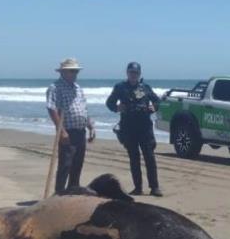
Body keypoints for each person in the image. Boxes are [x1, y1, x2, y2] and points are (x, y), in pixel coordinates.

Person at [106, 62, 162, 196]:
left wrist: (153, 107)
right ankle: (138, 187)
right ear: (127, 73)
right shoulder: (120, 87)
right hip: (128, 127)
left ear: (139, 74)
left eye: (136, 73)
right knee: (134, 158)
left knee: (149, 157)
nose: (133, 75)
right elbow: (109, 103)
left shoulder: (145, 87)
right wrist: (117, 107)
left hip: (145, 127)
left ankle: (154, 187)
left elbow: (157, 101)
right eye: (131, 72)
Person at [46, 58, 95, 194]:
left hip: (80, 131)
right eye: (72, 71)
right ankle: (59, 194)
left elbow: (83, 109)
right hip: (67, 131)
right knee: (65, 165)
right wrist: (61, 131)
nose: (74, 74)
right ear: (63, 72)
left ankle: (73, 193)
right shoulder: (55, 87)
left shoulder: (78, 88)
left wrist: (90, 125)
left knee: (77, 165)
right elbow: (52, 108)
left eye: (76, 71)